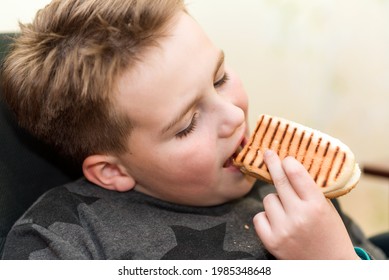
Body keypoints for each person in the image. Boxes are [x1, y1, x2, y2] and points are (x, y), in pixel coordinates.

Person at [0, 0, 385, 260]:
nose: (234, 116)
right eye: (187, 125)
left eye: (219, 79)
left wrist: (337, 261)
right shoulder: (61, 243)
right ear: (112, 171)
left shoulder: (298, 193)